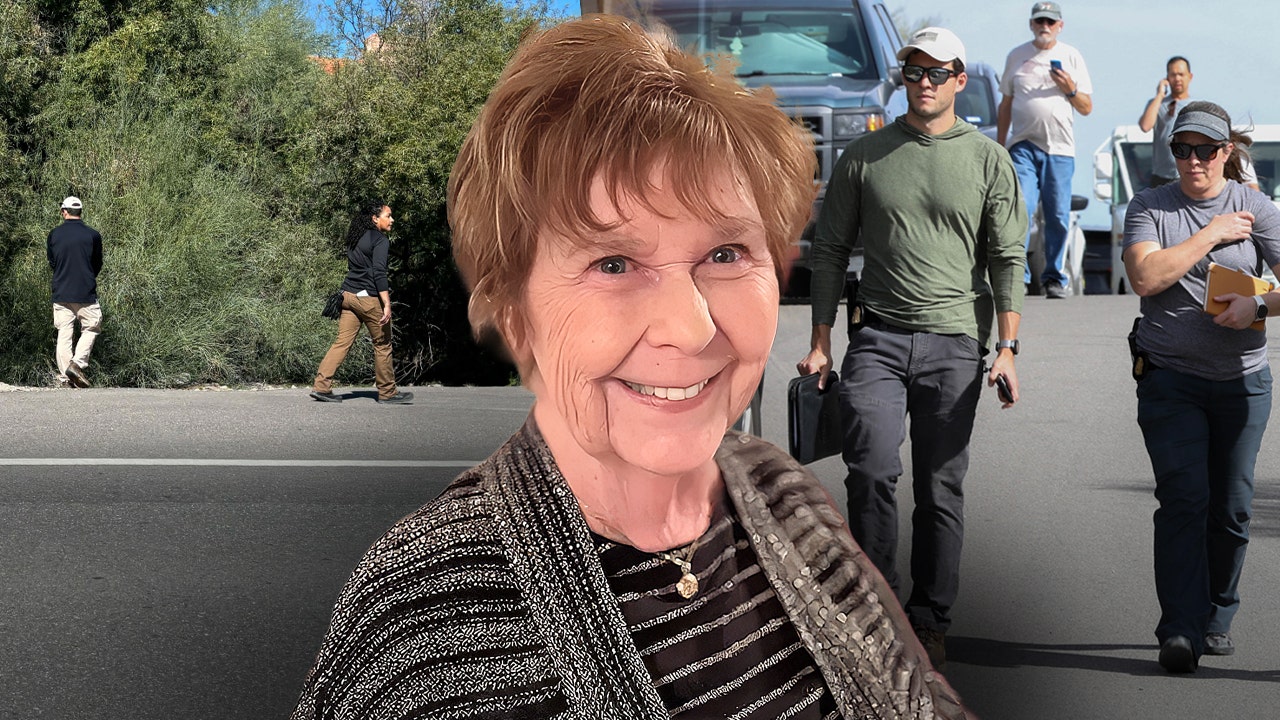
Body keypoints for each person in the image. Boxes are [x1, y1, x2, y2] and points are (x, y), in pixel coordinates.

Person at [293, 16, 971, 719]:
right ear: (514, 311)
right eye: (613, 263)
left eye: (725, 254)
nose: (690, 328)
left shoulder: (782, 493)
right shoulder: (428, 618)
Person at [797, 26, 1027, 668]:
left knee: (939, 486)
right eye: (914, 71)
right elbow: (829, 250)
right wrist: (820, 342)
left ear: (960, 80)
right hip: (877, 340)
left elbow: (1007, 258)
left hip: (956, 345)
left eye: (937, 72)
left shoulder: (988, 160)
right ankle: (878, 614)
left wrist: (1008, 347)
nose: (924, 82)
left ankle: (929, 620)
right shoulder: (865, 156)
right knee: (871, 470)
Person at [1123, 101, 1280, 674]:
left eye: (1206, 150)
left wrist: (1257, 306)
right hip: (1170, 378)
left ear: (1226, 153)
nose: (1194, 160)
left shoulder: (1255, 207)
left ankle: (1217, 613)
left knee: (1232, 508)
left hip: (1242, 382)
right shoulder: (1150, 206)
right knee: (1184, 498)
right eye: (1183, 149)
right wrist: (1212, 233)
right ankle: (1179, 630)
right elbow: (1146, 276)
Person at [997, 1, 1092, 298]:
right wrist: (1000, 145)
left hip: (1060, 149)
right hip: (1023, 145)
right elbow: (1006, 104)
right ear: (1031, 24)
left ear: (1060, 26)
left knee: (1057, 215)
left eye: (1051, 22)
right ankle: (1019, 276)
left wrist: (1069, 88)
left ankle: (1054, 278)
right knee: (1021, 208)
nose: (1045, 26)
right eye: (1040, 21)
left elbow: (1086, 107)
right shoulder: (1016, 56)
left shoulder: (1071, 56)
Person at [310, 201, 413, 405]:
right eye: (388, 216)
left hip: (348, 296)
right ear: (375, 218)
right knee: (383, 344)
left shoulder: (355, 236)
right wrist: (387, 304)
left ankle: (321, 386)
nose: (392, 220)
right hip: (368, 299)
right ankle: (387, 392)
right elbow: (379, 273)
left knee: (342, 343)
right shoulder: (380, 240)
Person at [46, 196, 104, 388]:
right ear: (80, 212)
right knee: (92, 326)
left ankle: (66, 378)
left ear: (64, 212)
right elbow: (97, 263)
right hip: (85, 291)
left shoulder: (54, 234)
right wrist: (87, 276)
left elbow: (52, 262)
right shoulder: (93, 235)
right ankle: (77, 364)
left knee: (64, 333)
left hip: (61, 291)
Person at [1137, 56, 1193, 188]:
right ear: (1167, 78)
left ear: (1190, 76)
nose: (1177, 79)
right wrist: (1159, 95)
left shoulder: (1195, 105)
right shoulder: (1156, 104)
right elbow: (1145, 126)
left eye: (1181, 74)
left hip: (1186, 174)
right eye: (1173, 75)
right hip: (1161, 176)